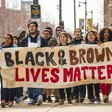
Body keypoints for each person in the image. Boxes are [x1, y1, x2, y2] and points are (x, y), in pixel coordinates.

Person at [19, 20, 49, 106]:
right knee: (30, 81)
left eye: (33, 26)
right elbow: (18, 51)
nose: (31, 28)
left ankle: (39, 96)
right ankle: (32, 98)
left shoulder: (42, 40)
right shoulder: (24, 40)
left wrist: (42, 49)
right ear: (28, 28)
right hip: (28, 65)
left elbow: (48, 50)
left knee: (38, 79)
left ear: (36, 28)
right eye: (30, 26)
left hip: (39, 65)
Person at [51, 32, 72, 105]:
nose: (62, 38)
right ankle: (62, 98)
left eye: (64, 36)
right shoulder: (56, 47)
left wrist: (71, 48)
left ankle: (69, 97)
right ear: (59, 39)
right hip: (60, 68)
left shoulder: (70, 46)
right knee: (61, 84)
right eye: (61, 37)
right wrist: (52, 49)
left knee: (68, 83)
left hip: (68, 67)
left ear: (66, 38)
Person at [83, 30, 101, 104]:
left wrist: (101, 47)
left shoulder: (99, 45)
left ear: (95, 36)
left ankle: (97, 96)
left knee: (96, 82)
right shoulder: (83, 46)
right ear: (87, 37)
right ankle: (91, 98)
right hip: (87, 67)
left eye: (92, 35)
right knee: (89, 82)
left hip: (96, 66)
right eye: (89, 35)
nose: (90, 36)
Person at [0, 33, 16, 108]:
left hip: (12, 70)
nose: (7, 40)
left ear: (11, 40)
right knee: (3, 85)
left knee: (11, 85)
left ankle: (10, 100)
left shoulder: (15, 48)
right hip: (3, 69)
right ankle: (3, 100)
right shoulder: (1, 48)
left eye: (8, 38)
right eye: (6, 38)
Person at [48, 25, 62, 102]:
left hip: (63, 62)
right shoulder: (51, 40)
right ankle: (57, 96)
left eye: (60, 30)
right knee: (56, 80)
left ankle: (63, 96)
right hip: (54, 63)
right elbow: (47, 50)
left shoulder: (65, 39)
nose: (59, 31)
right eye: (57, 30)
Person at [71, 28, 86, 103]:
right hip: (73, 64)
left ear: (81, 33)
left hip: (82, 64)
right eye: (76, 32)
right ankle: (76, 95)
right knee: (75, 81)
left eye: (78, 32)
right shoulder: (71, 42)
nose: (77, 33)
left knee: (82, 81)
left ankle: (81, 95)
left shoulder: (84, 42)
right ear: (74, 33)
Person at [99, 27, 112, 103]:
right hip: (101, 63)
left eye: (108, 32)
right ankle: (104, 94)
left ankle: (106, 95)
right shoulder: (98, 42)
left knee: (109, 79)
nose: (106, 34)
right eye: (105, 32)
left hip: (110, 62)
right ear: (102, 34)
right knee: (102, 79)